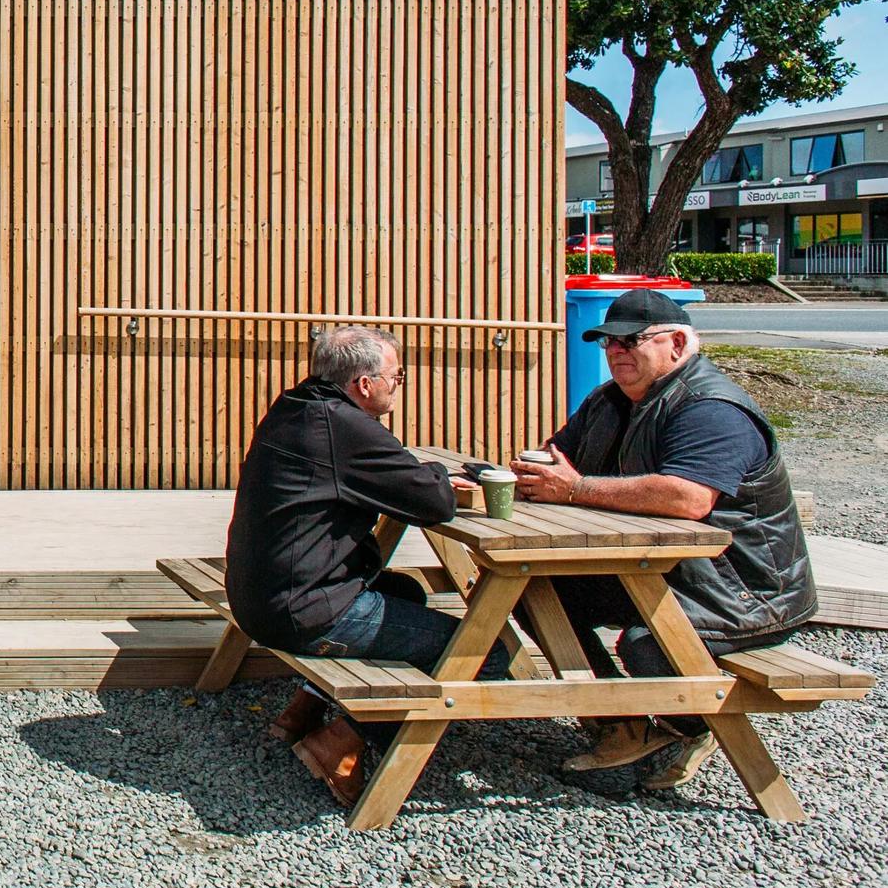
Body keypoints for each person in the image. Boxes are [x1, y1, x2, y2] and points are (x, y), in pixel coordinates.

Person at [511, 288, 816, 791]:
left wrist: (577, 489)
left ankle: (687, 726)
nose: (616, 352)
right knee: (534, 590)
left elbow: (688, 498)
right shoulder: (609, 399)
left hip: (741, 590)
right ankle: (621, 725)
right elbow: (559, 458)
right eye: (606, 342)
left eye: (631, 340)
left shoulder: (712, 408)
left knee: (648, 644)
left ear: (677, 343)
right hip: (662, 570)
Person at [225, 325, 509, 805]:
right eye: (397, 377)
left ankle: (301, 712)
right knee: (484, 652)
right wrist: (440, 473)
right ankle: (340, 742)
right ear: (364, 384)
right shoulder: (347, 429)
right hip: (302, 611)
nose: (399, 385)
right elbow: (434, 502)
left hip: (259, 596)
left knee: (406, 594)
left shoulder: (294, 408)